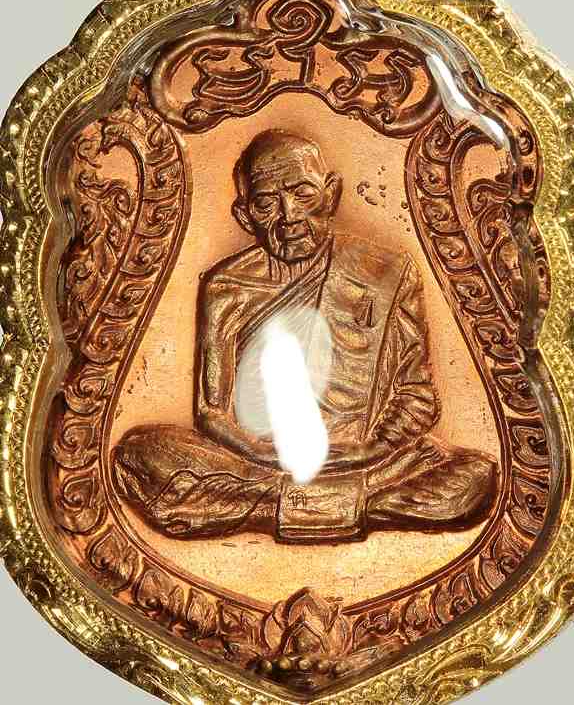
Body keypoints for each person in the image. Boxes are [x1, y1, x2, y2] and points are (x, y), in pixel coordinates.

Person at [113, 129, 498, 542]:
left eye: (303, 193)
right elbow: (212, 413)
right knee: (141, 452)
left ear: (331, 194)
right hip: (260, 464)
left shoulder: (385, 271)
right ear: (244, 215)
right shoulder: (226, 286)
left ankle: (269, 508)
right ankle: (354, 507)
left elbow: (416, 395)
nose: (289, 215)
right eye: (266, 203)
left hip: (368, 463)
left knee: (475, 480)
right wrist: (262, 453)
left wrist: (370, 449)